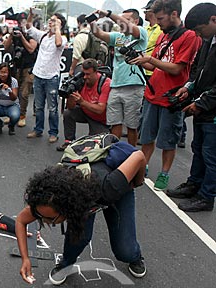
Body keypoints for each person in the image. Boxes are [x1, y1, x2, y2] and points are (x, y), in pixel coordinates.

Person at [15, 145, 147, 285]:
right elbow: (21, 221)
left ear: (67, 209)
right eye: (41, 216)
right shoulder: (47, 198)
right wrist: (25, 258)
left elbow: (139, 156)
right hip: (84, 197)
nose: (45, 222)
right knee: (78, 237)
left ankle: (135, 256)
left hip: (116, 189)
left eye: (50, 219)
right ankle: (66, 263)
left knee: (124, 250)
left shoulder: (110, 187)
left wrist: (137, 182)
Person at [129, 0, 201, 191]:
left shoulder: (189, 36)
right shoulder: (163, 35)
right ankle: (141, 167)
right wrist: (137, 59)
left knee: (169, 140)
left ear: (174, 14)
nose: (157, 22)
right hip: (152, 94)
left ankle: (164, 173)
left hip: (172, 97)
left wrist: (150, 59)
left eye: (160, 18)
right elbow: (152, 66)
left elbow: (177, 68)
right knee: (146, 137)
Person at [166, 3, 216, 212]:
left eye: (199, 29)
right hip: (203, 109)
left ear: (213, 20)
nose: (197, 34)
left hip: (212, 111)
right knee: (198, 149)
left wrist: (201, 103)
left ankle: (206, 197)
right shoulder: (208, 41)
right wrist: (188, 88)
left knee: (211, 156)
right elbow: (197, 69)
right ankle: (194, 184)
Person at [91, 9, 148, 147]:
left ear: (135, 21)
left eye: (126, 19)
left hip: (134, 85)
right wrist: (91, 21)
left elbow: (128, 27)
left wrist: (109, 14)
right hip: (116, 85)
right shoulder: (118, 36)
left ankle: (131, 155)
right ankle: (114, 151)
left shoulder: (140, 32)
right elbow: (99, 33)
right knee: (114, 123)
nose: (121, 22)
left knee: (131, 125)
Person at [25, 9, 68, 143]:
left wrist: (58, 29)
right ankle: (38, 130)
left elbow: (58, 43)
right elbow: (28, 27)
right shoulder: (43, 35)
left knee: (53, 107)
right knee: (38, 106)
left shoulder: (62, 38)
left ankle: (53, 132)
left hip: (51, 77)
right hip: (38, 75)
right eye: (50, 20)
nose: (51, 22)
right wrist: (31, 15)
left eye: (54, 20)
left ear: (60, 24)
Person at [57, 59, 112, 151]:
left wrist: (82, 102)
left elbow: (100, 109)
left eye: (88, 74)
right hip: (85, 112)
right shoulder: (81, 81)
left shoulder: (105, 83)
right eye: (84, 73)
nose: (85, 77)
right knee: (68, 113)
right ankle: (68, 141)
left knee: (95, 148)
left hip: (99, 119)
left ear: (96, 72)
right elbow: (71, 107)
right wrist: (70, 95)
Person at [3, 12, 37, 127]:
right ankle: (12, 114)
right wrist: (12, 36)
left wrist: (22, 37)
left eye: (23, 22)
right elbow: (6, 48)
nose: (21, 25)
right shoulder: (14, 35)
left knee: (24, 93)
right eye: (19, 22)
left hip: (28, 68)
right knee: (13, 92)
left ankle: (22, 116)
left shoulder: (32, 34)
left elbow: (31, 49)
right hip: (16, 68)